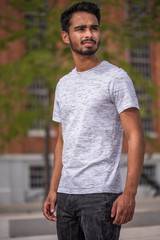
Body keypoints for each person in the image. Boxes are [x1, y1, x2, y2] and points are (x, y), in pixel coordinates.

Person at [43, 1, 145, 240]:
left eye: (94, 28)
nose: (89, 34)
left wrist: (129, 193)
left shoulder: (116, 78)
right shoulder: (63, 84)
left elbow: (135, 135)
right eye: (81, 29)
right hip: (67, 195)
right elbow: (62, 141)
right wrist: (53, 189)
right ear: (66, 36)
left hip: (101, 195)